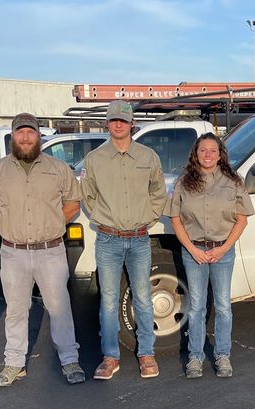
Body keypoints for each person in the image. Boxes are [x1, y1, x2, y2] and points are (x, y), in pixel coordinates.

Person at [0, 112, 85, 386]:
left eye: (30, 132)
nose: (25, 137)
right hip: (12, 253)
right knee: (15, 309)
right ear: (12, 136)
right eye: (20, 132)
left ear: (38, 136)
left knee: (59, 307)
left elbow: (73, 203)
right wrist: (7, 223)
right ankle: (14, 363)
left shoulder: (58, 168)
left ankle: (69, 360)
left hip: (50, 251)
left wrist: (52, 222)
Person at [81, 100, 167, 380]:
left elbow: (158, 192)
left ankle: (146, 353)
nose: (118, 124)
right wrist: (102, 218)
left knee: (142, 298)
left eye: (123, 120)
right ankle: (110, 356)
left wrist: (150, 218)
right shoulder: (95, 159)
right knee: (108, 300)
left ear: (132, 124)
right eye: (113, 120)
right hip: (108, 240)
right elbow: (88, 195)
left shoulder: (148, 157)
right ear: (107, 123)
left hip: (140, 239)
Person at [169, 133, 255, 379]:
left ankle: (222, 355)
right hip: (193, 250)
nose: (207, 155)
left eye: (212, 151)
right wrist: (193, 250)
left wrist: (224, 248)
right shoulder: (183, 182)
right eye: (203, 150)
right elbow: (176, 220)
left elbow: (242, 219)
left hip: (222, 252)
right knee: (196, 307)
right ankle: (195, 357)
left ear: (220, 155)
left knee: (223, 306)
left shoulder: (233, 181)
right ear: (195, 154)